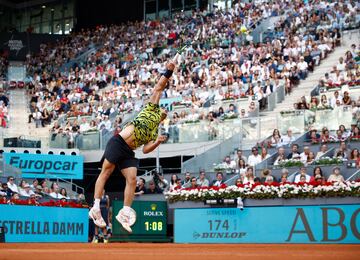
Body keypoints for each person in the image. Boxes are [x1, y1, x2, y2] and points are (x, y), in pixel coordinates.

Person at [89, 60, 176, 233]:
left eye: (167, 113)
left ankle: (125, 212)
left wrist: (158, 141)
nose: (166, 111)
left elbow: (145, 150)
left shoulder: (154, 131)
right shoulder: (151, 108)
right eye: (164, 109)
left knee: (132, 179)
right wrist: (168, 71)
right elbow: (159, 87)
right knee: (106, 172)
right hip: (118, 142)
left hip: (129, 151)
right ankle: (96, 206)